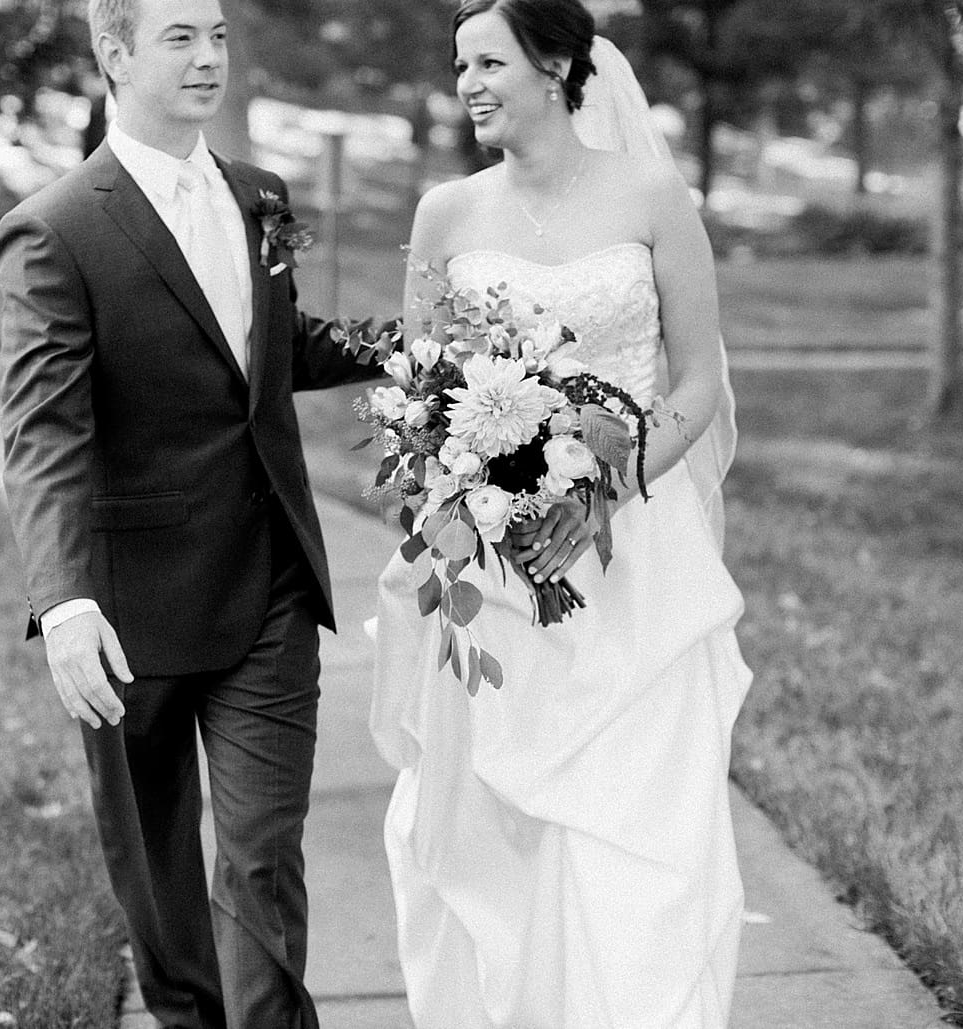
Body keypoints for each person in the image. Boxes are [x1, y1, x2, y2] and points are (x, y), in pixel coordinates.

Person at [0, 0, 382, 1026]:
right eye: (180, 38)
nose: (210, 55)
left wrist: (419, 350)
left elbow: (274, 346)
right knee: (160, 874)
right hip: (135, 612)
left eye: (215, 34)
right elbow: (43, 434)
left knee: (261, 859)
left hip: (268, 583)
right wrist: (65, 603)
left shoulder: (260, 197)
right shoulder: (57, 229)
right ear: (114, 53)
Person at [369, 0, 752, 1025]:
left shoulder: (653, 197)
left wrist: (603, 493)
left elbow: (698, 382)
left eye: (489, 61)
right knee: (499, 829)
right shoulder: (446, 213)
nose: (470, 85)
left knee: (641, 826)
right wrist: (463, 497)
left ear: (554, 66)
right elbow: (423, 392)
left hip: (634, 559)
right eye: (459, 67)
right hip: (492, 570)